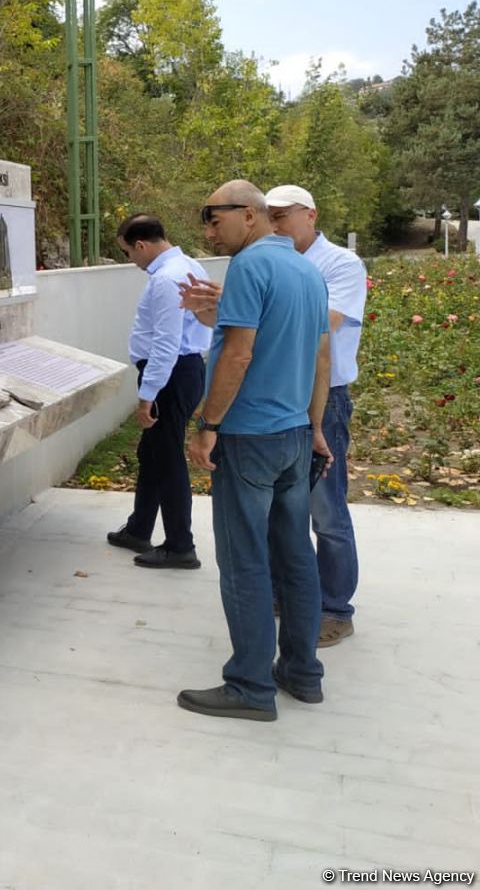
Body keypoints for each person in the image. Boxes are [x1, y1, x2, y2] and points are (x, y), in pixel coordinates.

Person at [177, 180, 331, 721]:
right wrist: (315, 427)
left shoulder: (248, 266)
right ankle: (302, 673)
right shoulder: (306, 270)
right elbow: (320, 356)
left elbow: (238, 355)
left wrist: (208, 424)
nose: (209, 232)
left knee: (244, 561)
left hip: (250, 437)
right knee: (295, 556)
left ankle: (249, 686)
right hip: (293, 435)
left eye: (215, 219)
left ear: (249, 213)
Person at [264, 185, 367, 647]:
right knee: (281, 503)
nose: (276, 224)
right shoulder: (272, 261)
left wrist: (263, 316)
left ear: (311, 215)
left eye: (283, 215)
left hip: (326, 397)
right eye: (269, 217)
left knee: (326, 510)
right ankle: (286, 593)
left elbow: (328, 321)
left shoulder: (341, 264)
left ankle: (335, 609)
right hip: (279, 395)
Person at [106, 215, 212, 570]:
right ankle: (139, 528)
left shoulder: (167, 278)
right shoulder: (188, 265)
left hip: (172, 374)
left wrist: (148, 394)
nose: (131, 261)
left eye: (128, 253)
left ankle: (180, 545)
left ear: (141, 245)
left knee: (166, 458)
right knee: (151, 453)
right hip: (182, 370)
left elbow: (167, 342)